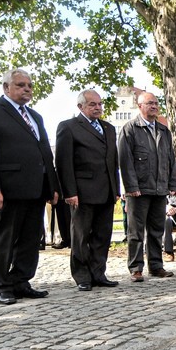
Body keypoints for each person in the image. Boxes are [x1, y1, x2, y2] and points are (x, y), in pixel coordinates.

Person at [0, 68, 61, 304]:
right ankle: (1, 285)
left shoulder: (35, 116)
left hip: (35, 189)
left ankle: (21, 281)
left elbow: (45, 153)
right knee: (4, 239)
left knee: (30, 239)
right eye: (21, 85)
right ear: (6, 87)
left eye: (29, 86)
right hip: (6, 190)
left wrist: (52, 186)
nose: (27, 89)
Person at [55, 89, 121, 291]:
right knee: (81, 236)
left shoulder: (108, 128)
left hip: (106, 190)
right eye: (92, 104)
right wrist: (69, 192)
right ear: (80, 106)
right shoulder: (69, 127)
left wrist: (116, 188)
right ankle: (82, 275)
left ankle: (98, 273)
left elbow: (113, 161)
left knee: (102, 235)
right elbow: (63, 162)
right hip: (82, 192)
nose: (98, 107)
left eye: (100, 104)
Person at [117, 91, 176, 282]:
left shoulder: (163, 130)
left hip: (160, 189)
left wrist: (173, 183)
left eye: (156, 103)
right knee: (136, 231)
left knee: (156, 230)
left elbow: (170, 159)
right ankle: (136, 268)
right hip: (139, 190)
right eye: (150, 103)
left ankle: (156, 265)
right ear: (140, 105)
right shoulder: (130, 129)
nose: (154, 106)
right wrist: (130, 187)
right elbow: (125, 162)